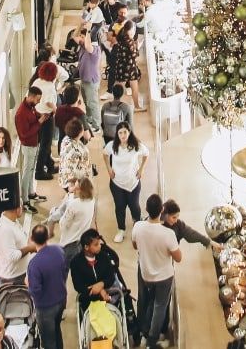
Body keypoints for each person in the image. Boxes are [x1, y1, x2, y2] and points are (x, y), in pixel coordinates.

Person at [133, 194, 182, 348]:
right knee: (160, 306)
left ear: (146, 208)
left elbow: (135, 245)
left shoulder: (138, 226)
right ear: (161, 210)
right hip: (164, 277)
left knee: (147, 301)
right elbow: (178, 258)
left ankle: (143, 332)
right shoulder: (168, 234)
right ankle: (152, 340)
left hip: (146, 273)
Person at [26, 224, 68, 348]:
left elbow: (35, 291)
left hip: (46, 308)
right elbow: (64, 270)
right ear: (47, 237)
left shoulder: (34, 264)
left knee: (48, 341)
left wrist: (28, 283)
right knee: (57, 330)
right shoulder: (59, 250)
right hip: (61, 300)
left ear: (32, 239)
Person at [105, 121, 146, 243]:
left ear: (129, 132)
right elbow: (105, 155)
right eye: (120, 133)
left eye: (125, 132)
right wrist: (109, 169)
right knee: (119, 207)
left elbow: (146, 154)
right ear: (117, 134)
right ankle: (121, 230)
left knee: (135, 206)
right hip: (117, 183)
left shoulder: (136, 145)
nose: (123, 135)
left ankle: (137, 226)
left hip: (132, 183)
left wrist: (141, 169)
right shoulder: (112, 145)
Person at [69, 229, 125, 309]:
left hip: (109, 296)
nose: (100, 246)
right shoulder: (76, 263)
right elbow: (78, 286)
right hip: (89, 301)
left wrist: (101, 284)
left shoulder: (104, 256)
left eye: (99, 243)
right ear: (86, 247)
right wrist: (99, 291)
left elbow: (111, 276)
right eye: (96, 244)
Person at [46, 177, 96, 263]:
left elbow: (63, 225)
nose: (74, 190)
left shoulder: (74, 204)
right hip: (82, 241)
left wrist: (59, 218)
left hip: (70, 243)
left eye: (77, 188)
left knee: (64, 266)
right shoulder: (92, 200)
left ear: (83, 191)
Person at [14, 86, 47, 210]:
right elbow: (24, 134)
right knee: (27, 172)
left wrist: (41, 116)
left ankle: (31, 193)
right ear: (31, 97)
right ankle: (25, 200)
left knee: (31, 170)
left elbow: (33, 116)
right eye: (38, 99)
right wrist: (39, 122)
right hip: (28, 146)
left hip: (34, 144)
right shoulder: (21, 113)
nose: (39, 102)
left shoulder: (30, 107)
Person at [0, 205, 38, 288]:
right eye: (22, 206)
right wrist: (30, 248)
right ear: (17, 209)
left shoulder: (13, 221)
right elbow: (12, 256)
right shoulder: (5, 229)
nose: (23, 208)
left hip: (19, 276)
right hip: (14, 280)